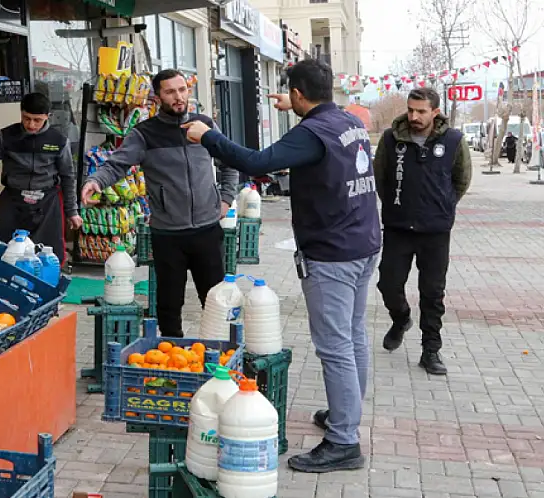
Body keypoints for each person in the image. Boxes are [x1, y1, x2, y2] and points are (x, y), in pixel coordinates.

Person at [182, 59, 381, 473]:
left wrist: (209, 137)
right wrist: (292, 106)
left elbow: (256, 163)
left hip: (332, 252)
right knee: (354, 334)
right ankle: (347, 414)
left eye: (289, 95)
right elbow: (310, 134)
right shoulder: (346, 120)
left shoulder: (311, 132)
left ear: (297, 95)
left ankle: (344, 440)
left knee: (335, 345)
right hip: (364, 242)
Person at [80, 69, 239, 338]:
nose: (178, 97)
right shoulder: (145, 134)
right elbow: (117, 164)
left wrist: (225, 198)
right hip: (168, 235)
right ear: (158, 97)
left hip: (207, 231)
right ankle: (172, 359)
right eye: (170, 92)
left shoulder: (204, 125)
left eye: (182, 90)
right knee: (168, 305)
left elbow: (230, 162)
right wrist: (95, 181)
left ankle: (219, 357)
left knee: (215, 302)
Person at [372, 88, 471, 375]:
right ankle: (401, 318)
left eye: (421, 111)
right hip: (398, 226)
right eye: (411, 110)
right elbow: (381, 177)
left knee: (432, 292)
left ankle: (431, 350)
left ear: (435, 112)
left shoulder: (452, 140)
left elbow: (461, 179)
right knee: (388, 284)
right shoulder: (392, 139)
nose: (414, 116)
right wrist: (395, 203)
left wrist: (444, 204)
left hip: (435, 230)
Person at [0, 93, 82, 262]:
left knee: (49, 257)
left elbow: (67, 177)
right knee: (7, 255)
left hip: (47, 204)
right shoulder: (5, 136)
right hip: (13, 202)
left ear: (47, 116)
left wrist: (72, 211)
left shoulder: (59, 141)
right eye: (26, 118)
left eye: (37, 120)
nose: (31, 125)